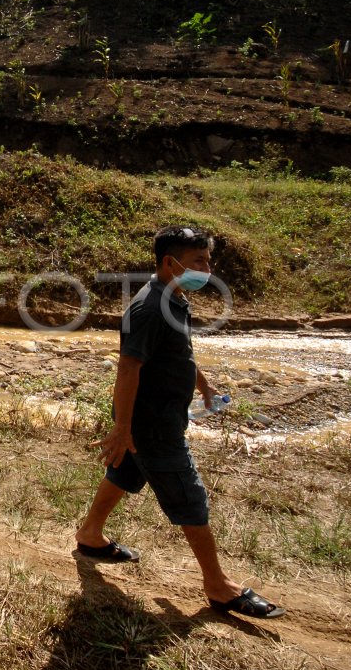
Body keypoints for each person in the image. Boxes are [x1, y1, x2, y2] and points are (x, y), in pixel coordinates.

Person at [73, 225, 285, 619]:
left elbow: (177, 354)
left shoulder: (175, 298)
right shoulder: (149, 308)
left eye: (208, 259)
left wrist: (202, 385)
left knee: (124, 473)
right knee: (190, 497)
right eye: (198, 261)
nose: (207, 268)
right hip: (153, 425)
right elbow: (128, 369)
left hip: (155, 418)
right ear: (170, 263)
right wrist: (122, 427)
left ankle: (89, 535)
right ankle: (218, 586)